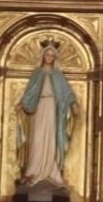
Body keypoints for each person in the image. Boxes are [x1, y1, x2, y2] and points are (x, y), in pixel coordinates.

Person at [18, 40, 77, 190]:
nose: (49, 57)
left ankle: (51, 171)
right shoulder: (37, 73)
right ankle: (33, 170)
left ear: (54, 58)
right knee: (37, 139)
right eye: (47, 55)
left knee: (51, 139)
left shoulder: (58, 75)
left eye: (52, 55)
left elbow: (67, 92)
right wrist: (23, 103)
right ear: (43, 56)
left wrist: (73, 103)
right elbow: (30, 91)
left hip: (52, 109)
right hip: (39, 108)